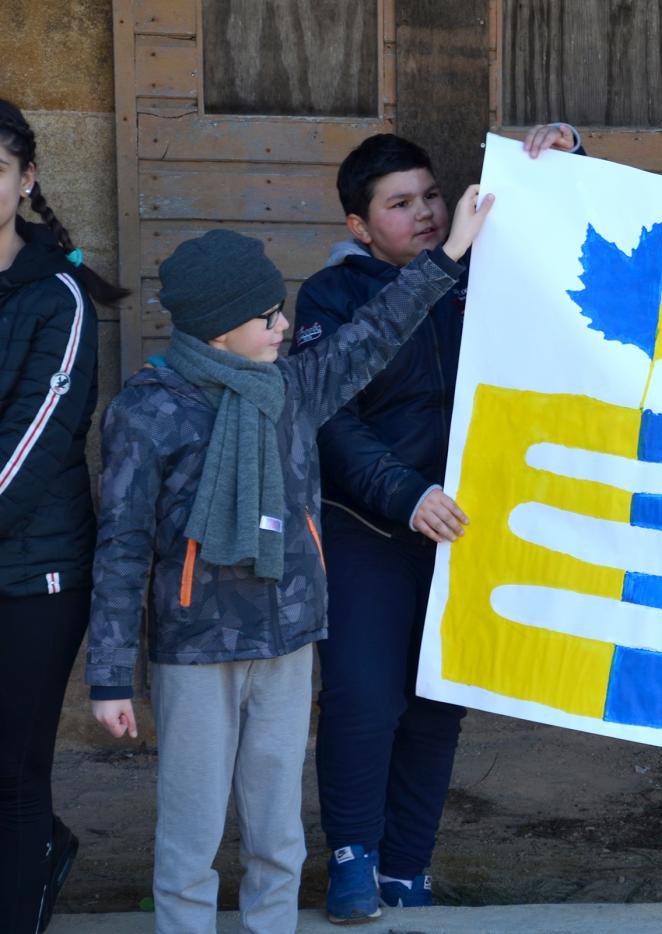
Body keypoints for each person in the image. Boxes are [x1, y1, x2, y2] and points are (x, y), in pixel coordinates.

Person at [85, 181, 493, 933]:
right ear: (217, 329)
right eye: (267, 315)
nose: (284, 325)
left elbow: (376, 331)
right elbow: (120, 547)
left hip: (288, 637)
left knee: (278, 831)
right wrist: (110, 676)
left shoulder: (294, 386)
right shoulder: (149, 410)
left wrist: (455, 250)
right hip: (197, 648)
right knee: (192, 828)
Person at [290, 122, 582, 922]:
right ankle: (353, 856)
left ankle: (408, 868)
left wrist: (568, 155)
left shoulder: (483, 269)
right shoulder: (330, 297)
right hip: (370, 527)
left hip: (468, 528)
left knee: (436, 703)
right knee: (361, 697)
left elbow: (576, 235)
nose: (424, 213)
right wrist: (403, 493)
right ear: (358, 225)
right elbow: (330, 419)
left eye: (430, 196)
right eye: (399, 204)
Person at [0, 98, 129, 934]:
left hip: (32, 580)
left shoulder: (59, 296)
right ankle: (41, 854)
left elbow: (33, 443)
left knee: (10, 775)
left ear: (25, 179)